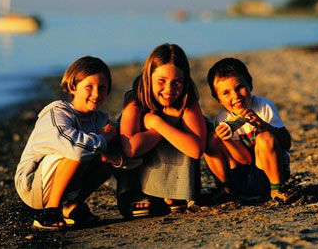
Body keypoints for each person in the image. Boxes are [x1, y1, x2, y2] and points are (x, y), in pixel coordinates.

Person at [14, 56, 123, 230]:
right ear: (73, 87)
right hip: (33, 185)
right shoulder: (58, 113)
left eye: (102, 88)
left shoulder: (100, 119)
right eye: (89, 87)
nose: (96, 94)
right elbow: (75, 149)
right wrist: (103, 138)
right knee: (77, 150)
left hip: (67, 181)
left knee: (109, 158)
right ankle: (50, 211)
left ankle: (71, 206)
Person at [117, 43, 207, 217]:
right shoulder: (135, 98)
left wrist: (159, 123)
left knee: (197, 130)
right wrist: (163, 123)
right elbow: (131, 148)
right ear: (148, 77)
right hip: (139, 173)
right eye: (161, 81)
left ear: (185, 80)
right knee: (118, 131)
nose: (169, 90)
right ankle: (135, 194)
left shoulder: (186, 98)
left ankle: (174, 193)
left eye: (177, 82)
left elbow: (196, 150)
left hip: (178, 178)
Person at [204, 57, 294, 204]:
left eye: (239, 88)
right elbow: (245, 160)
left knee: (264, 137)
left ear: (250, 85)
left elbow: (286, 142)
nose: (236, 96)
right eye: (226, 93)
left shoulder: (263, 106)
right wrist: (227, 140)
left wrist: (263, 125)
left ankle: (277, 190)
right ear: (218, 99)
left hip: (270, 174)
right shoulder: (223, 119)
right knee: (212, 139)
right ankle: (226, 189)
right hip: (242, 178)